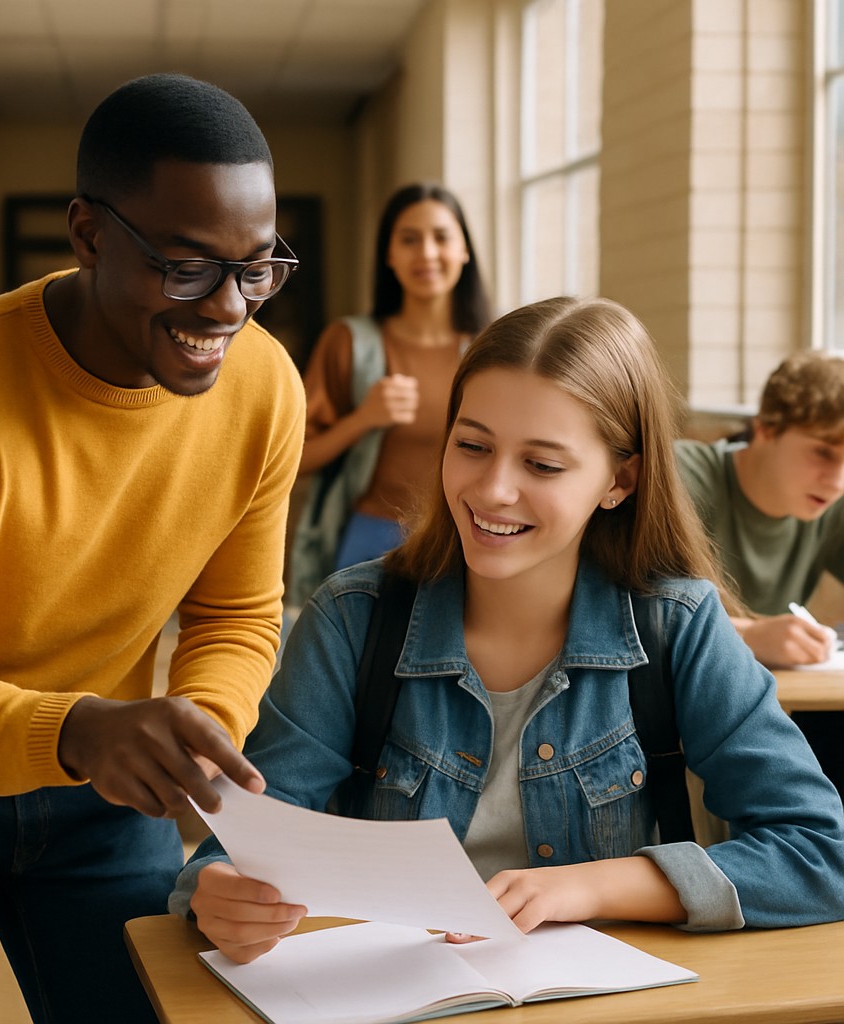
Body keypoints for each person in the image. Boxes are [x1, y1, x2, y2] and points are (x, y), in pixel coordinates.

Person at [0, 73, 305, 1024]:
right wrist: (84, 731)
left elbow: (237, 614)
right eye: (187, 266)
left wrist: (192, 734)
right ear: (88, 235)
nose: (228, 309)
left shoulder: (265, 388)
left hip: (104, 792)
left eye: (256, 268)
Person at [170, 296, 844, 965]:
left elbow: (820, 853)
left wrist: (585, 887)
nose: (492, 489)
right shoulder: (353, 617)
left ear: (620, 480)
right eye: (472, 445)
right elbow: (243, 840)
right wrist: (218, 890)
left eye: (542, 465)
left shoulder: (681, 625)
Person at [287, 182, 491, 606]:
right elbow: (293, 459)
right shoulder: (349, 342)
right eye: (409, 239)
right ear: (389, 255)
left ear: (465, 250)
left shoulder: (495, 350)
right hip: (369, 540)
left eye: (441, 237)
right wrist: (364, 418)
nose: (427, 253)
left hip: (465, 541)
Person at [675, 350, 844, 794]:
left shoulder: (835, 503)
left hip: (769, 715)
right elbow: (626, 613)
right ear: (765, 428)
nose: (837, 479)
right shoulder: (684, 479)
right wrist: (748, 636)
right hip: (676, 720)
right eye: (823, 452)